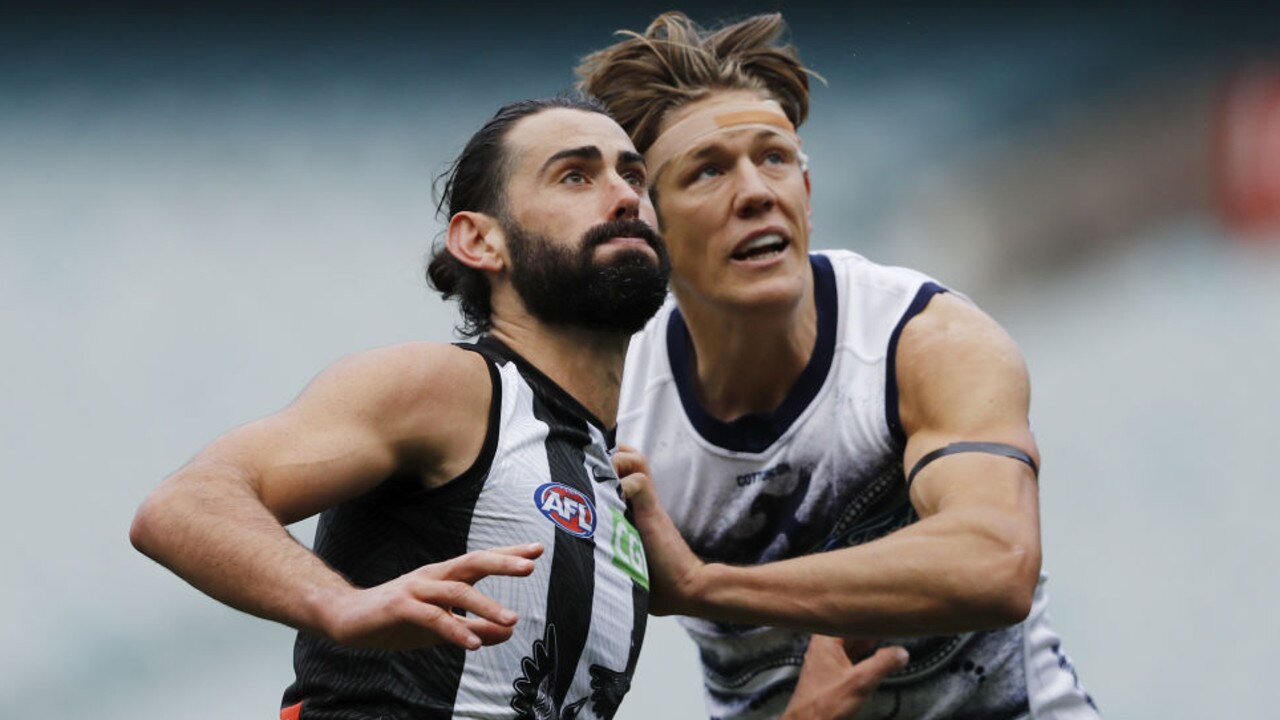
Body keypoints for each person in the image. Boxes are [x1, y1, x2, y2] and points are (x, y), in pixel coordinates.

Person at [578, 12, 1100, 719]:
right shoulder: (614, 409)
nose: (757, 192)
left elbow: (998, 562)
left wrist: (702, 585)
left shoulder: (925, 339)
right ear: (650, 229)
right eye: (708, 171)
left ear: (808, 196)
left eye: (775, 158)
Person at [130, 95, 674, 720]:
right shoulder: (453, 388)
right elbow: (183, 506)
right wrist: (342, 605)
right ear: (480, 240)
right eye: (575, 175)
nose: (626, 195)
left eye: (633, 176)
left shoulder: (611, 479)